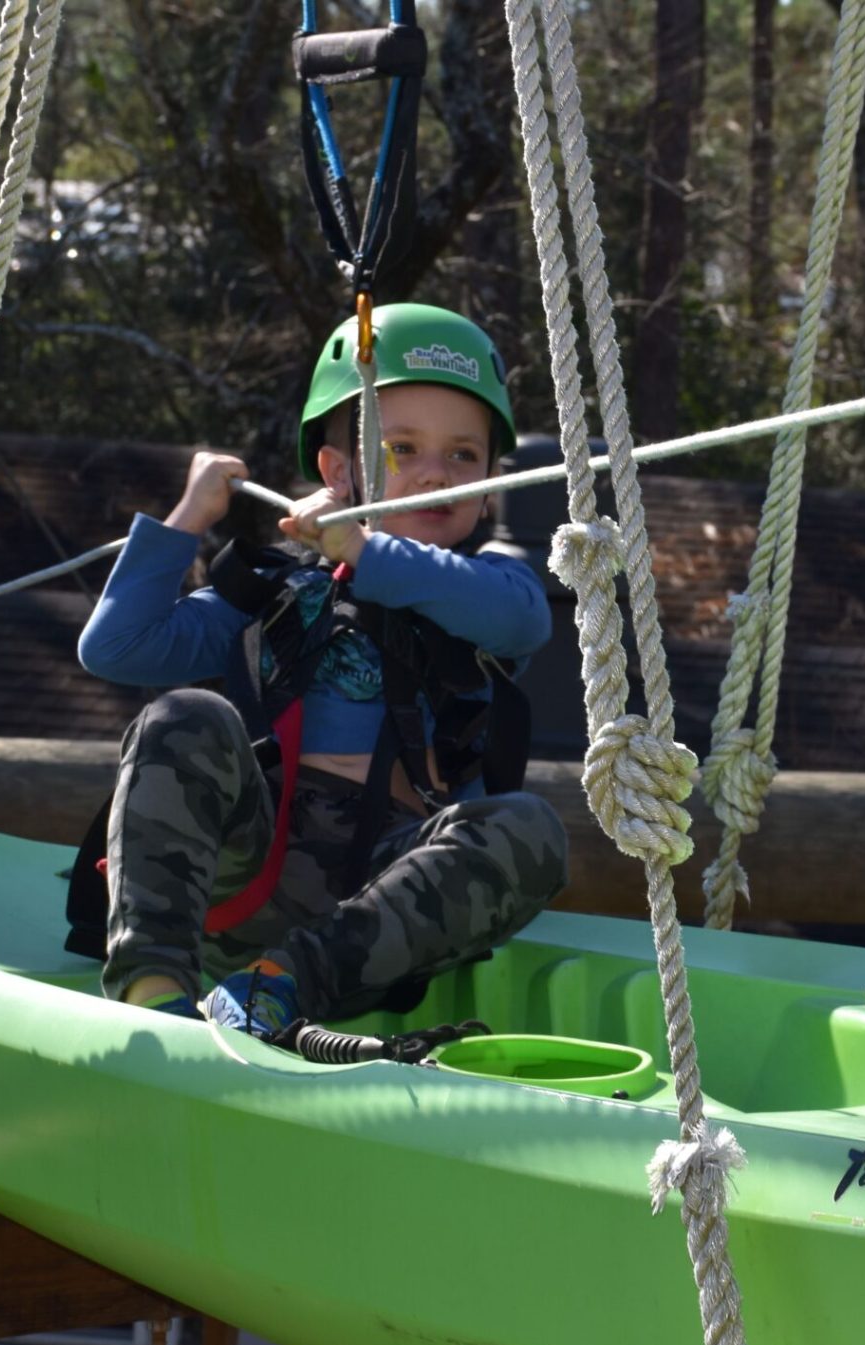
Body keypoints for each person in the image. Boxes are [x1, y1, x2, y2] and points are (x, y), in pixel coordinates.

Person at [77, 303, 568, 1038]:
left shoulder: (491, 587)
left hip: (383, 899)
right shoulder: (279, 590)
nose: (436, 473)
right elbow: (116, 647)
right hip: (254, 863)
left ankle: (277, 986)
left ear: (490, 483)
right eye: (403, 449)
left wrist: (369, 551)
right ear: (337, 472)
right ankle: (154, 990)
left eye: (463, 457)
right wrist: (189, 516)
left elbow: (518, 618)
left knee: (530, 828)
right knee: (182, 717)